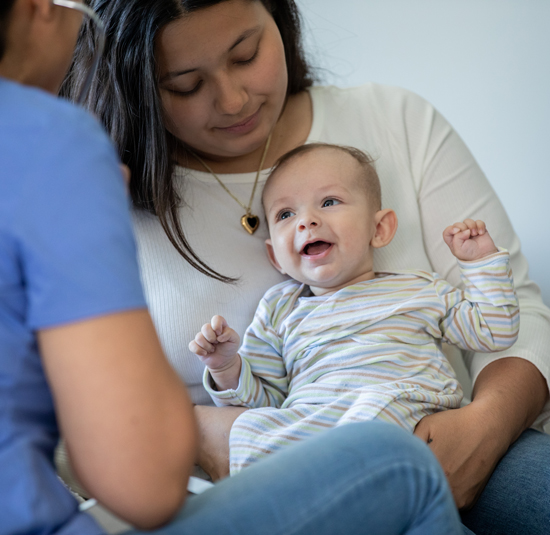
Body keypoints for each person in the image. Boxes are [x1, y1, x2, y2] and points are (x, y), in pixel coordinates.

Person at [63, 0, 550, 533]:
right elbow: (82, 413)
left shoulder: (397, 133)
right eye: (185, 85)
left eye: (246, 55)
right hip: (275, 470)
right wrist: (208, 408)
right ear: (135, 86)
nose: (232, 100)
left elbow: (510, 318)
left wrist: (485, 425)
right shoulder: (99, 198)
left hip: (438, 429)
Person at [189, 143, 520, 474]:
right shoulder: (279, 310)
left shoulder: (419, 289)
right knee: (250, 434)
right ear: (275, 256)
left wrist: (480, 262)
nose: (306, 221)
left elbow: (494, 331)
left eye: (329, 202)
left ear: (379, 229)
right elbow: (265, 402)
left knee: (371, 419)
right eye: (285, 214)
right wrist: (225, 367)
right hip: (316, 427)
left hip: (406, 412)